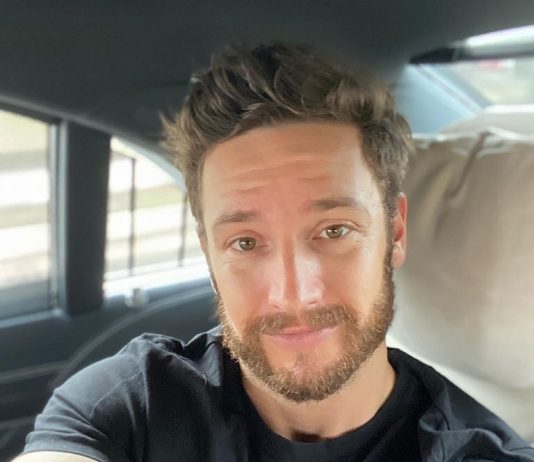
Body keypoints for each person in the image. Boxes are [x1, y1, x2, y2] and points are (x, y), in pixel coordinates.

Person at [14, 43, 534, 462]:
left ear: (395, 232)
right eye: (245, 242)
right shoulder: (133, 403)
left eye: (334, 230)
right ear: (209, 255)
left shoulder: (479, 452)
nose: (293, 292)